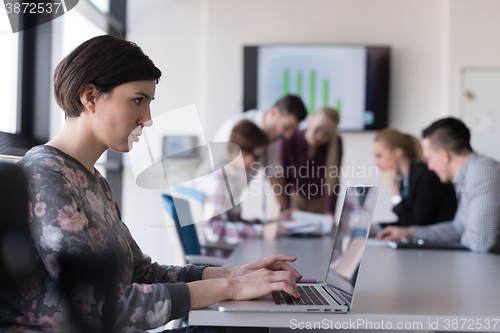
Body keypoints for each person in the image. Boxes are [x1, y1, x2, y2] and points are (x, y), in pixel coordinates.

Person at [0, 35, 302, 333]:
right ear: (90, 97)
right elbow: (96, 305)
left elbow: (142, 273)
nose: (147, 118)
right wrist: (230, 287)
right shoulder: (45, 175)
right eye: (137, 100)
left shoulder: (94, 181)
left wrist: (231, 273)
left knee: (254, 323)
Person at [377, 118, 500, 254]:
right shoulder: (466, 176)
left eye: (429, 158)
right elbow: (458, 228)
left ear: (443, 155)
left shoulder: (481, 173)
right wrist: (409, 233)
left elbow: (479, 244)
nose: (429, 167)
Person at [208, 95, 308, 216]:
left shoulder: (272, 137)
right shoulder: (237, 129)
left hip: (234, 196)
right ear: (274, 112)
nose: (287, 136)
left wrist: (285, 210)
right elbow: (214, 227)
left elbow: (274, 172)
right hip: (216, 196)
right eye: (286, 127)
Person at [197, 120, 288, 249]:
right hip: (224, 259)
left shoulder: (232, 177)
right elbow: (213, 229)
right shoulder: (220, 180)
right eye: (256, 156)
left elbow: (234, 221)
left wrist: (270, 223)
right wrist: (261, 232)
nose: (258, 162)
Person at [372, 128, 457, 230]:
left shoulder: (426, 176)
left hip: (442, 242)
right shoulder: (407, 179)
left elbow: (414, 226)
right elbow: (406, 221)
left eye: (379, 156)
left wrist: (394, 192)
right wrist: (375, 227)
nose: (376, 162)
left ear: (397, 153)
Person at [277, 107, 343, 215]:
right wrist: (286, 207)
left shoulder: (336, 143)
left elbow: (333, 181)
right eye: (317, 129)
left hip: (319, 205)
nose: (319, 137)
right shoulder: (289, 140)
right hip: (292, 200)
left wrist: (330, 213)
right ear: (310, 120)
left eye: (326, 135)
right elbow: (282, 178)